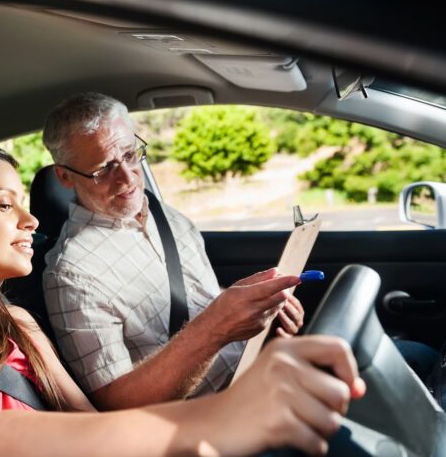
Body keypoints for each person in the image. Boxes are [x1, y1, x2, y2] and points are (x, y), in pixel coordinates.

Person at [0, 140, 365, 456]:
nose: (32, 219)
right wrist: (222, 417)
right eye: (4, 205)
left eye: (25, 202)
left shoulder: (16, 326)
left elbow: (88, 429)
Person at [42, 92, 305, 409]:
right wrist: (217, 327)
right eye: (103, 169)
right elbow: (117, 405)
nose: (127, 178)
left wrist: (258, 306)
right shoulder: (71, 275)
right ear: (64, 176)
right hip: (209, 418)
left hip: (260, 373)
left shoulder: (164, 215)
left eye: (129, 154)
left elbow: (196, 296)